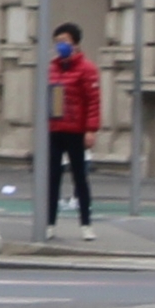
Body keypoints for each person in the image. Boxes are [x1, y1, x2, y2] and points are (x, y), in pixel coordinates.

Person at [43, 23, 100, 241]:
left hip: (76, 130)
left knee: (80, 178)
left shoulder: (87, 69)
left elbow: (93, 101)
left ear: (75, 43)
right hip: (56, 129)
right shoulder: (53, 68)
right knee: (52, 178)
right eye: (58, 42)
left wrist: (90, 129)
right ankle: (49, 223)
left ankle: (86, 224)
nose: (61, 46)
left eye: (65, 41)